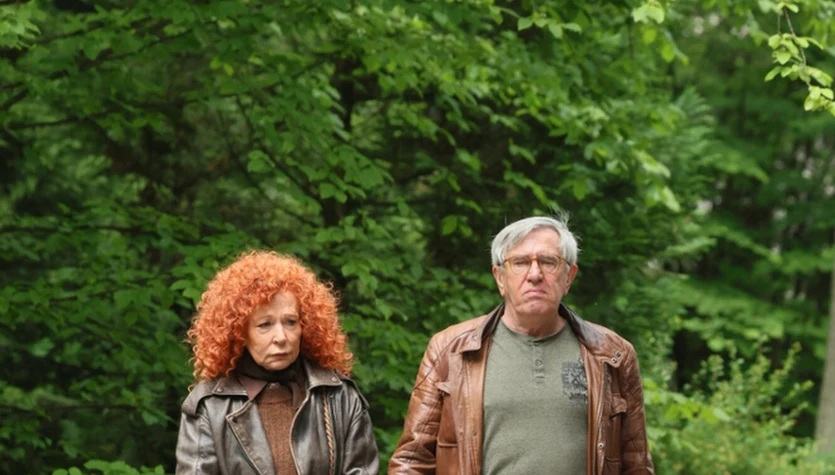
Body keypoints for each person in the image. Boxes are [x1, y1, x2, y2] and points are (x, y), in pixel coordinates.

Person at [388, 216, 654, 475]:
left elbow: (637, 465)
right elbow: (412, 460)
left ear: (569, 277)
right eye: (520, 262)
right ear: (499, 278)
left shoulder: (611, 354)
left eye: (548, 262)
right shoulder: (451, 350)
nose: (534, 274)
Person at [176, 250, 379, 475]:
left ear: (305, 326)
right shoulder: (209, 405)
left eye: (290, 322)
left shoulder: (339, 397)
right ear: (239, 333)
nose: (281, 337)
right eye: (265, 325)